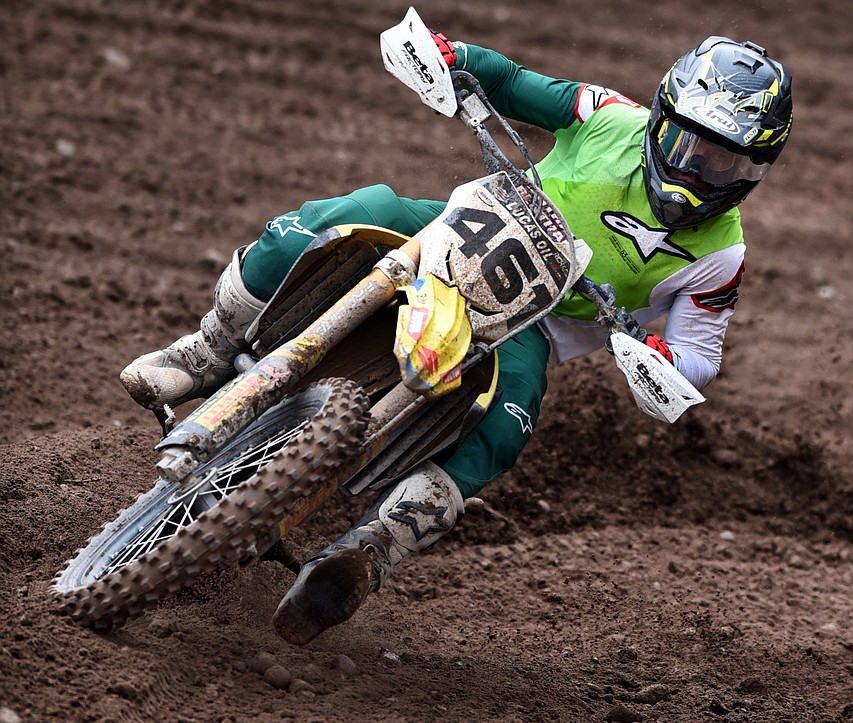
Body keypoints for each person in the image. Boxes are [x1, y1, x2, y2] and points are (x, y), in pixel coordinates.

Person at [119, 29, 793, 644]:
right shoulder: (607, 116)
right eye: (686, 146)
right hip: (462, 231)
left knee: (508, 425)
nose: (696, 174)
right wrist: (453, 58)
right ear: (660, 118)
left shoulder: (722, 254)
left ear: (756, 172)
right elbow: (512, 81)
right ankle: (207, 348)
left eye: (725, 166)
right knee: (342, 216)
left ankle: (370, 549)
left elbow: (701, 350)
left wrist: (662, 359)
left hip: (537, 323)